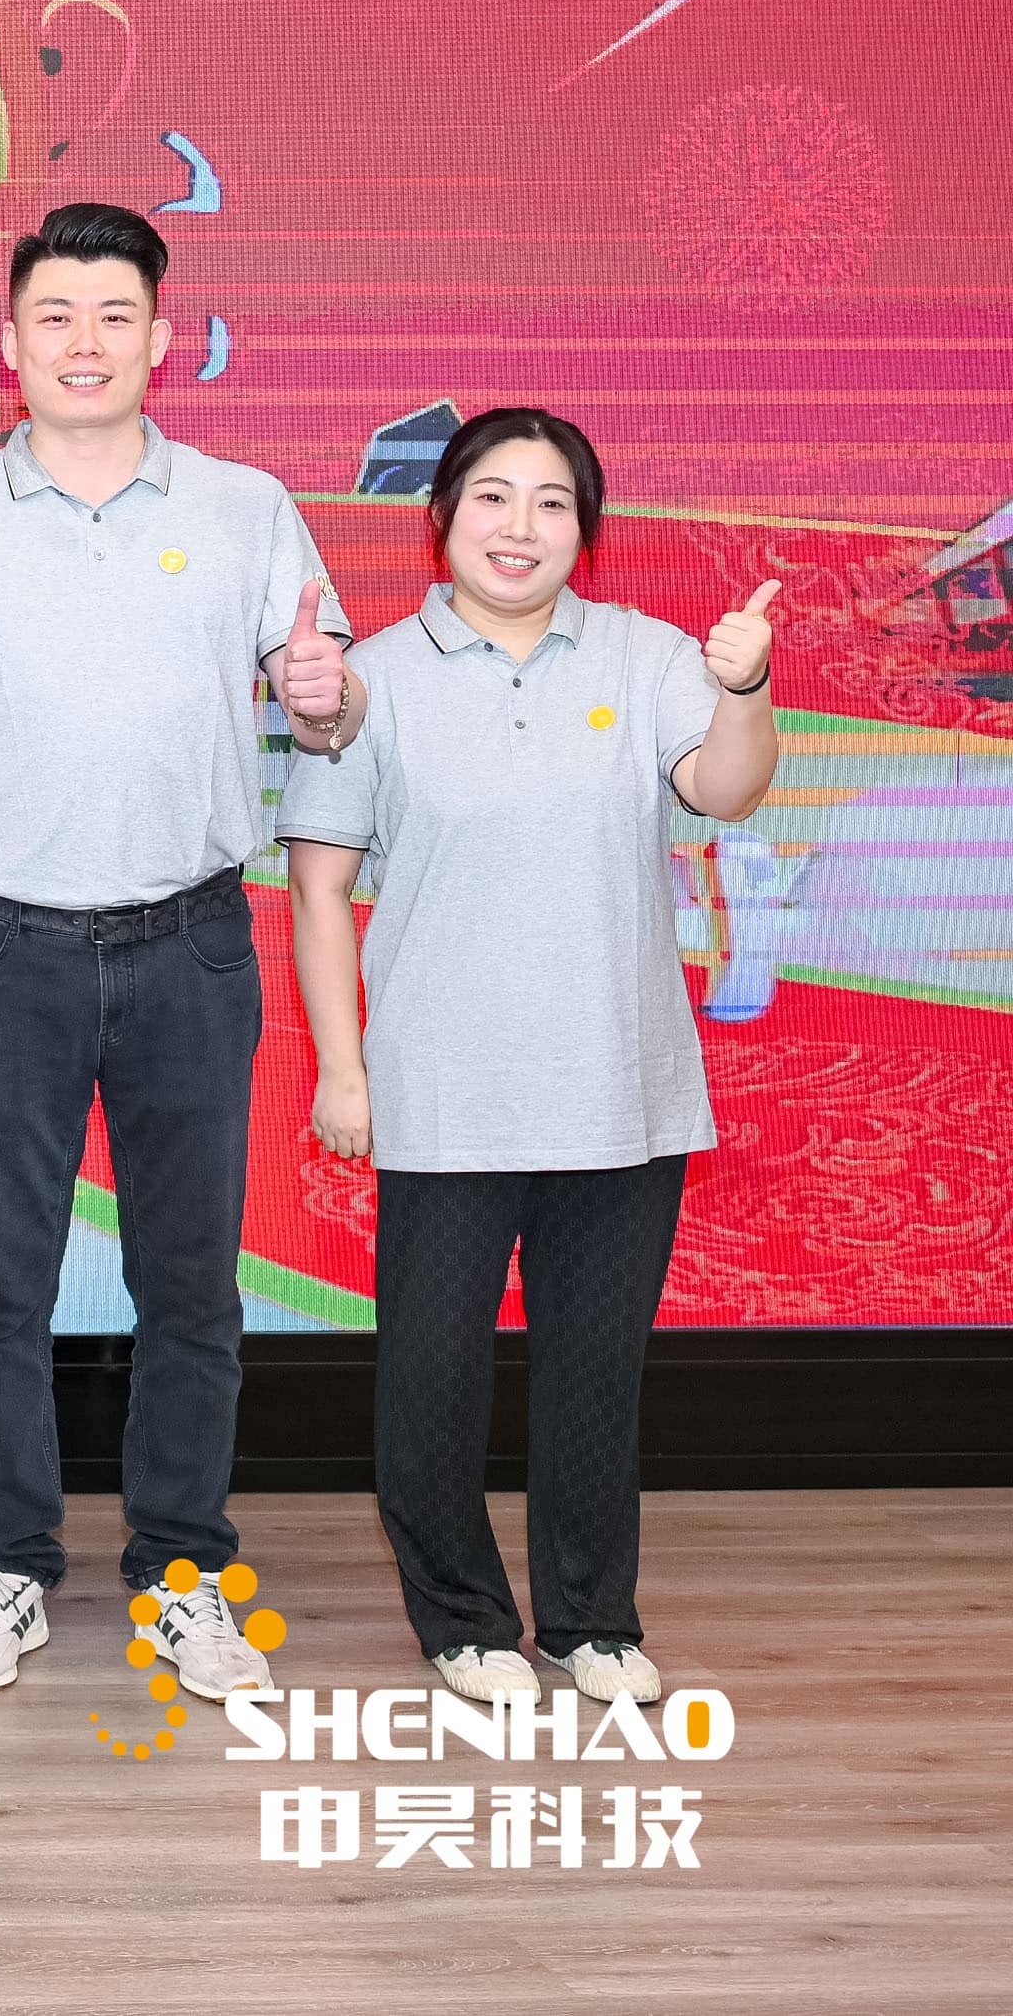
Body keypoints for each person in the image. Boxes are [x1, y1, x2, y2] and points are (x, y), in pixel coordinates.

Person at [0, 201, 356, 1702]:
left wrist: (324, 695)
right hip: (3, 949)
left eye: (114, 315)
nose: (85, 342)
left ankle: (184, 1569)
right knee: (1, 1285)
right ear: (9, 343)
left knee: (191, 1284)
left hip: (193, 943)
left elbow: (326, 707)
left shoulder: (248, 508)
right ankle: (3, 1565)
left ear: (160, 337)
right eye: (55, 316)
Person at [280, 408, 780, 1708]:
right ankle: (462, 1620)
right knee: (433, 1375)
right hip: (444, 1088)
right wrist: (344, 1067)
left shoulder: (649, 656)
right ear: (441, 518)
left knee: (595, 1375)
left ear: (584, 531)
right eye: (492, 496)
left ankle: (590, 1619)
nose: (520, 526)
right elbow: (320, 888)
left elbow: (726, 788)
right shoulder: (372, 679)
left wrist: (743, 687)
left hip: (621, 1087)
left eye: (551, 502)